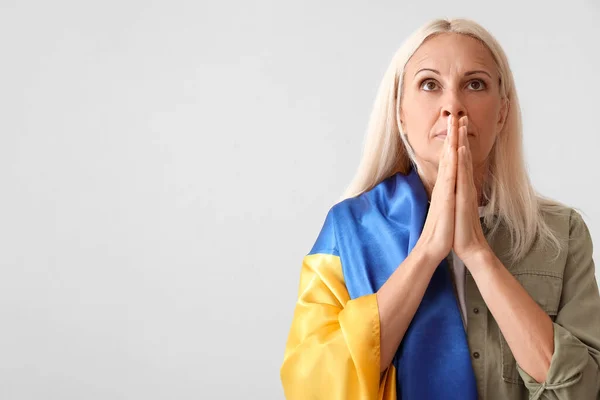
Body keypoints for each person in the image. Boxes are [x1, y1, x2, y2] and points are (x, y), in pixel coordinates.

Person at [279, 18, 600, 400]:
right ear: (400, 112)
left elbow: (583, 390)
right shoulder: (348, 228)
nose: (453, 106)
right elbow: (314, 387)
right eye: (430, 85)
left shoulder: (561, 233)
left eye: (475, 84)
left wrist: (479, 254)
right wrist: (429, 249)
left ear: (501, 112)